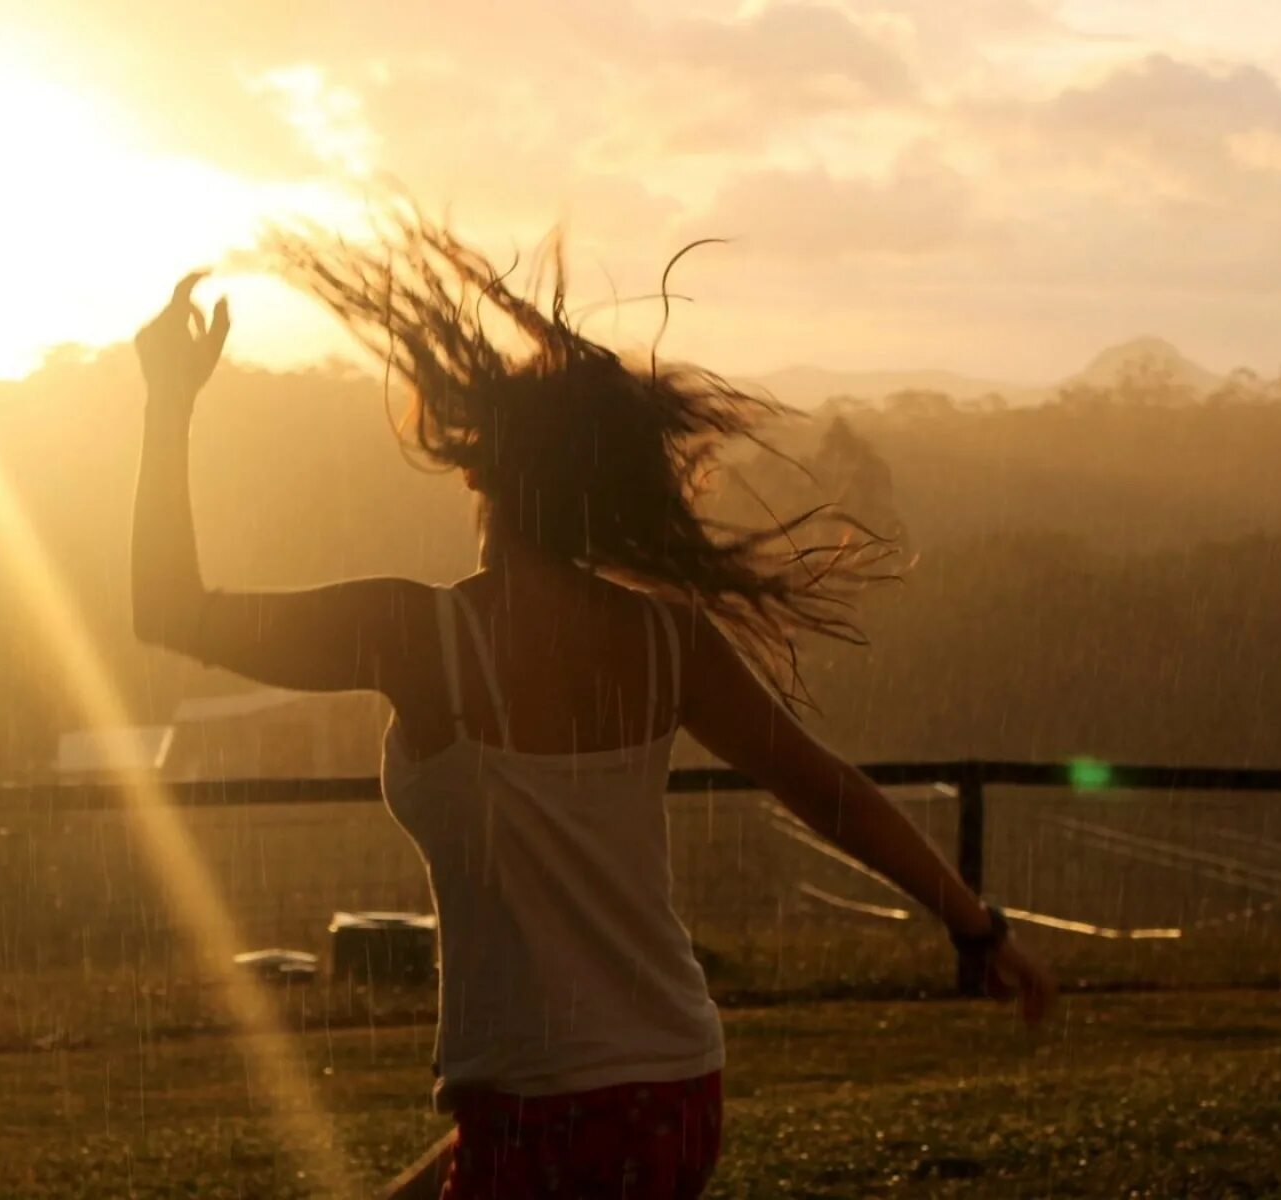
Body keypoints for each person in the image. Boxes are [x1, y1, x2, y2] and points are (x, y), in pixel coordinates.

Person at [129, 215, 1057, 1200]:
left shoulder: (420, 635)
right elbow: (825, 787)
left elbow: (170, 612)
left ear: (482, 471)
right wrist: (977, 929)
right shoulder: (669, 642)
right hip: (670, 1091)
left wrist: (166, 404)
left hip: (543, 1113)